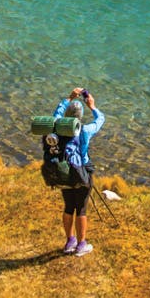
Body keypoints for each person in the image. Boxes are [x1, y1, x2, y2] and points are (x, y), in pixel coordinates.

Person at [54, 88, 103, 255]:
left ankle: (70, 241)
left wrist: (69, 97)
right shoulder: (85, 130)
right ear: (80, 117)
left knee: (69, 206)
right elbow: (100, 120)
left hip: (65, 172)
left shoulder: (57, 126)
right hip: (82, 173)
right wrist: (92, 106)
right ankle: (81, 245)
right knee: (81, 209)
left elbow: (57, 112)